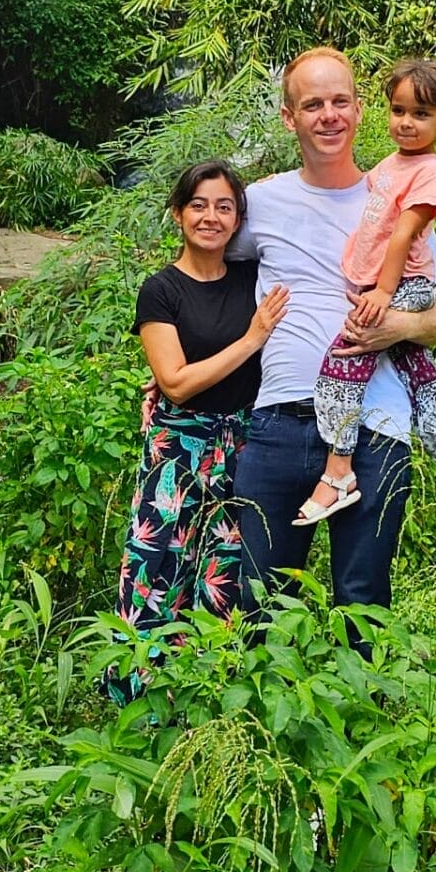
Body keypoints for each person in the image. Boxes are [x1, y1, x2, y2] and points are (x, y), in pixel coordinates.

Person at [227, 47, 436, 620]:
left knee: (362, 600)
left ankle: (365, 706)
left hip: (376, 426)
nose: (328, 115)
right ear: (290, 118)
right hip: (278, 422)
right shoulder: (258, 202)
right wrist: (171, 372)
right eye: (313, 104)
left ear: (360, 110)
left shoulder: (398, 195)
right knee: (259, 600)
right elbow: (210, 284)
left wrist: (394, 328)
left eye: (340, 101)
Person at [105, 161, 290, 704]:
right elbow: (177, 383)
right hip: (177, 450)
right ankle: (135, 709)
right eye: (199, 205)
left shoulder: (253, 278)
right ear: (178, 213)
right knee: (157, 569)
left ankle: (206, 711)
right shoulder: (161, 290)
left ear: (238, 220)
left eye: (224, 206)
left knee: (225, 575)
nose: (210, 217)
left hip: (242, 447)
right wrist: (253, 338)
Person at [297, 57, 436, 542]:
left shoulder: (429, 170)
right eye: (398, 110)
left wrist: (383, 293)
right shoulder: (391, 164)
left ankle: (338, 471)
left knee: (341, 363)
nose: (406, 122)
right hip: (381, 284)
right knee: (421, 377)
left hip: (402, 285)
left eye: (421, 114)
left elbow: (403, 234)